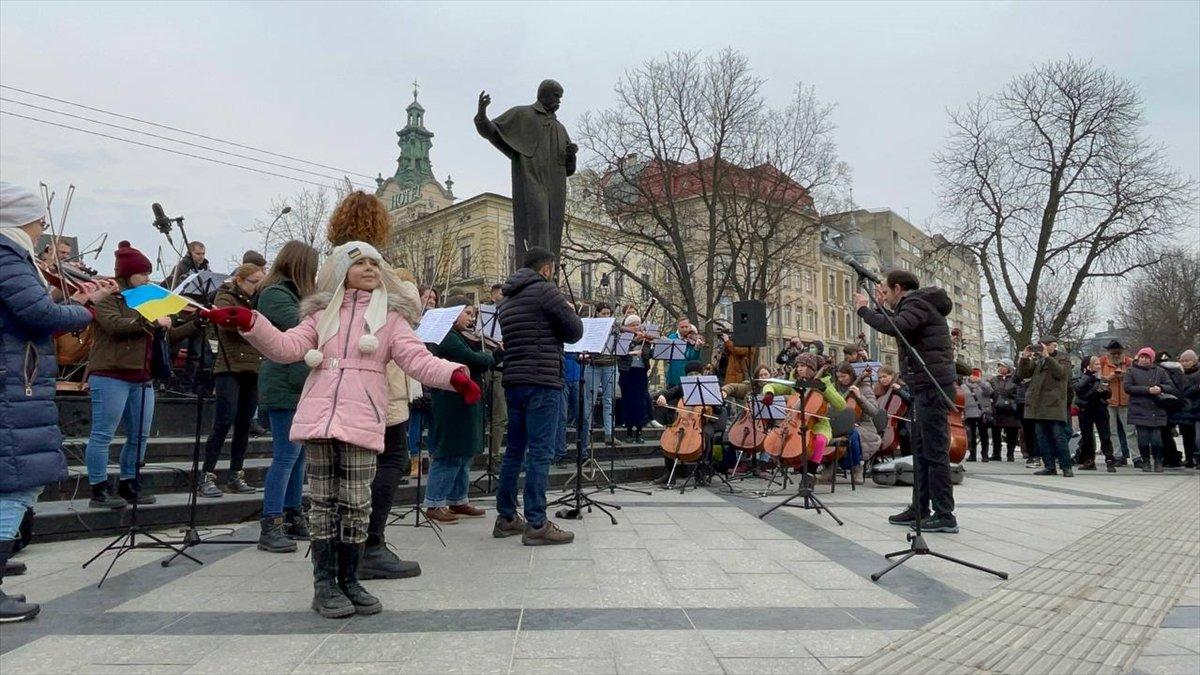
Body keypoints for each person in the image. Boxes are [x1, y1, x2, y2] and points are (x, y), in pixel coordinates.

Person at [207, 239, 479, 619]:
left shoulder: (391, 319)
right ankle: (324, 583)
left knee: (355, 502)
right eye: (359, 263)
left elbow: (416, 358)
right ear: (340, 271)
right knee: (323, 503)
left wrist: (455, 375)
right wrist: (252, 323)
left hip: (361, 419)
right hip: (319, 419)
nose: (369, 268)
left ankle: (350, 579)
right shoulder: (321, 316)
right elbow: (286, 348)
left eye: (374, 262)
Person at [1, 182, 117, 622]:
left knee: (14, 483)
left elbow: (26, 306)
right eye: (39, 222)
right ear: (20, 220)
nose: (41, 231)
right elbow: (40, 316)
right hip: (12, 383)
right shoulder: (7, 255)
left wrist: (72, 299)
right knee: (16, 485)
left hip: (15, 378)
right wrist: (88, 309)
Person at [83, 241, 200, 509]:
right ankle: (98, 488)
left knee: (140, 435)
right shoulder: (109, 301)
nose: (148, 278)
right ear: (127, 274)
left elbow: (165, 336)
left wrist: (195, 324)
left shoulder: (148, 300)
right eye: (143, 273)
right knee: (103, 433)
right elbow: (115, 325)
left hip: (142, 376)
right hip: (111, 373)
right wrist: (149, 321)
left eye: (148, 273)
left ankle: (129, 483)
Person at [855, 269, 960, 533]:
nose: (886, 296)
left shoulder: (917, 302)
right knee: (921, 451)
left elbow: (898, 326)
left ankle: (945, 515)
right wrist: (880, 308)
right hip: (923, 384)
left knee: (934, 452)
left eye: (888, 292)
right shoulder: (917, 305)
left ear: (899, 288)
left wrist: (865, 311)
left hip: (931, 385)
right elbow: (902, 325)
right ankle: (920, 507)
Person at [493, 247, 583, 546]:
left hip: (514, 380)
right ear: (546, 269)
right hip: (542, 380)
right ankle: (537, 522)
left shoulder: (506, 299)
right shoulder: (546, 291)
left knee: (515, 450)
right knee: (540, 452)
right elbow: (574, 332)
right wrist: (568, 309)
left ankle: (506, 517)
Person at [254, 241, 318, 553]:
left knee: (299, 456)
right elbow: (302, 325)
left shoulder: (293, 294)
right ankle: (271, 522)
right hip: (282, 383)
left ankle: (294, 513)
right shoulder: (274, 293)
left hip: (297, 383)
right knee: (285, 456)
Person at [420, 298, 495, 525]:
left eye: (472, 314)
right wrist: (491, 356)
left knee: (464, 452)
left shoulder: (459, 335)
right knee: (450, 452)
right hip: (451, 400)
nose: (471, 318)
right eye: (468, 313)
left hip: (465, 400)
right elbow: (472, 360)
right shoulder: (447, 336)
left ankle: (458, 498)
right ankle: (434, 502)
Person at [198, 263, 265, 498]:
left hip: (253, 367)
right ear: (239, 279)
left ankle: (236, 473)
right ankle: (207, 474)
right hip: (229, 365)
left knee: (245, 423)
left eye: (260, 282)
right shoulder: (225, 295)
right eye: (253, 282)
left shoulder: (259, 300)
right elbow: (226, 322)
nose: (257, 286)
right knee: (223, 421)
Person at [654, 361, 726, 484]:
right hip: (685, 421)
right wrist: (662, 396)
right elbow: (667, 393)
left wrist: (717, 399)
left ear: (701, 374)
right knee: (669, 436)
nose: (693, 376)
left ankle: (702, 471)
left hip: (706, 422)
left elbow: (719, 409)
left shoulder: (710, 385)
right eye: (690, 374)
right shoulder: (682, 386)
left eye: (696, 373)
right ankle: (669, 472)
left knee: (707, 434)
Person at [1019, 336, 1073, 477]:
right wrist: (1025, 358)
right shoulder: (1039, 360)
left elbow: (1061, 374)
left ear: (1053, 346)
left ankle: (1066, 467)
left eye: (1044, 346)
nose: (1041, 349)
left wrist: (1048, 357)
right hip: (1038, 405)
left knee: (1059, 437)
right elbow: (1023, 374)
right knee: (1042, 439)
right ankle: (1049, 466)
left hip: (1054, 405)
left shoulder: (1063, 358)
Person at [1123, 347, 1178, 473]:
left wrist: (1160, 387)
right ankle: (1146, 461)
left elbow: (1171, 387)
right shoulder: (1131, 371)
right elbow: (1128, 387)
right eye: (1142, 357)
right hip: (1139, 409)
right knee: (1142, 438)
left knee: (1156, 439)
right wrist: (1147, 390)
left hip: (1156, 409)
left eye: (1147, 357)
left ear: (1152, 359)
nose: (1144, 360)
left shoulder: (1160, 371)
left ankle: (1158, 461)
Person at [833, 362, 879, 484]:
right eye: (838, 377)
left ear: (851, 374)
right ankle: (829, 467)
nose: (841, 379)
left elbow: (874, 411)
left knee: (851, 433)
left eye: (844, 376)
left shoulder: (865, 388)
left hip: (863, 425)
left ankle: (856, 468)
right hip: (838, 424)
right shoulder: (836, 388)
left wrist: (860, 396)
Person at [1098, 341, 1138, 467]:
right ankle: (1118, 456)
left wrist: (1125, 376)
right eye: (1113, 353)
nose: (1116, 355)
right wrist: (1108, 378)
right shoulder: (1103, 362)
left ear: (1123, 352)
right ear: (1108, 353)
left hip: (1126, 402)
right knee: (1112, 431)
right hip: (1109, 402)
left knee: (1130, 431)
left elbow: (1137, 378)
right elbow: (1096, 380)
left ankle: (1136, 457)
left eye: (1118, 353)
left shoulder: (1130, 363)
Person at [1073, 355, 1115, 472]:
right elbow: (1079, 389)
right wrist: (1089, 376)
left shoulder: (1102, 378)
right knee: (1087, 436)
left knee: (1105, 435)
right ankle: (1089, 460)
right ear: (1088, 366)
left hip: (1100, 408)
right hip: (1085, 409)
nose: (1098, 366)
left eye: (1098, 364)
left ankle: (1109, 459)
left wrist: (1105, 390)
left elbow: (1108, 394)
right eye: (1095, 364)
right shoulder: (1080, 377)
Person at [617, 314, 653, 444]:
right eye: (633, 325)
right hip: (627, 372)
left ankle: (639, 432)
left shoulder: (645, 340)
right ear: (627, 327)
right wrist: (634, 342)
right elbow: (620, 352)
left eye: (638, 324)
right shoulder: (623, 338)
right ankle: (628, 431)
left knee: (640, 402)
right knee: (628, 401)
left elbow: (649, 355)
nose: (637, 327)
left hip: (640, 372)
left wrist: (651, 344)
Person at [485, 283, 507, 462]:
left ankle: (495, 454)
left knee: (501, 414)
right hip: (489, 365)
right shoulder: (485, 314)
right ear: (493, 296)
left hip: (506, 367)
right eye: (500, 294)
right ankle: (489, 453)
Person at [1169, 349, 1199, 469]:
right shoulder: (1177, 373)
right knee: (1187, 436)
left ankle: (1197, 457)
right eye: (1182, 361)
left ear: (1194, 361)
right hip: (1184, 410)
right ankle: (1189, 458)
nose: (1185, 363)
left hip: (1197, 408)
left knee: (1197, 437)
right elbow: (1180, 391)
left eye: (1188, 361)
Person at [988, 360, 1021, 462]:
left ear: (1009, 368)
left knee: (1012, 432)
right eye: (1000, 366)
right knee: (996, 432)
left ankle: (1010, 454)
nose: (1001, 368)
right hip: (997, 409)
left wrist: (1010, 399)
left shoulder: (1015, 379)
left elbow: (1017, 393)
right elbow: (992, 392)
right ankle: (996, 453)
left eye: (1004, 366)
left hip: (1010, 409)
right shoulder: (994, 379)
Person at [554, 351, 582, 463]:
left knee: (582, 417)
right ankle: (560, 453)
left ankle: (582, 452)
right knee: (561, 418)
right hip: (562, 377)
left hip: (578, 377)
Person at [961, 369, 993, 462]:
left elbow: (989, 392)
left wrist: (980, 382)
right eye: (972, 374)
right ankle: (972, 454)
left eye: (977, 375)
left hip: (982, 412)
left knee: (983, 434)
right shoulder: (963, 386)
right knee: (971, 434)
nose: (974, 377)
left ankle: (985, 455)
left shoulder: (985, 384)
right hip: (969, 413)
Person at [665, 318, 703, 388]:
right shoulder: (672, 337)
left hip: (688, 377)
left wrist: (696, 348)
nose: (685, 329)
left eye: (686, 327)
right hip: (673, 376)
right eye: (682, 327)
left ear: (690, 327)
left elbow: (692, 358)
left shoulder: (693, 339)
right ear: (678, 327)